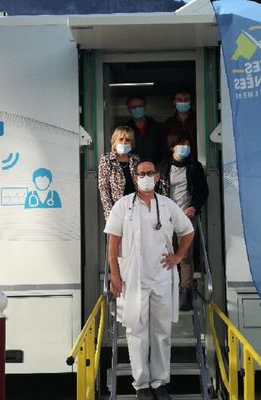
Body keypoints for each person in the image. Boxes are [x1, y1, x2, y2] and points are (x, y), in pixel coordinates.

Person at [105, 160, 195, 400]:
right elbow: (112, 243)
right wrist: (115, 274)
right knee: (137, 332)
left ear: (157, 177)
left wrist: (178, 256)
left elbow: (187, 230)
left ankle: (160, 382)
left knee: (162, 333)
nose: (145, 177)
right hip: (133, 278)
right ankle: (142, 385)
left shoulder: (167, 205)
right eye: (141, 173)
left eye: (150, 173)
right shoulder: (123, 206)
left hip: (162, 277)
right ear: (135, 178)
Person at [157, 129, 208, 311]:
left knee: (184, 256)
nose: (185, 147)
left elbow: (203, 192)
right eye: (181, 144)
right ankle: (167, 290)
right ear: (172, 147)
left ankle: (185, 291)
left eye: (187, 144)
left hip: (187, 216)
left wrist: (194, 206)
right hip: (166, 217)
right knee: (165, 254)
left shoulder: (195, 167)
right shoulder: (163, 167)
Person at [98, 125, 140, 220]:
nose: (124, 142)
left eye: (128, 140)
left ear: (131, 143)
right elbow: (104, 188)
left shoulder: (135, 159)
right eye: (121, 139)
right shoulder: (107, 159)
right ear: (114, 141)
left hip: (136, 207)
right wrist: (109, 213)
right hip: (117, 210)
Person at [125, 95, 166, 165]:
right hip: (133, 170)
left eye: (140, 106)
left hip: (155, 170)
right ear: (129, 109)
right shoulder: (125, 129)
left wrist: (161, 169)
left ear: (145, 107)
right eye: (133, 107)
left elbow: (164, 151)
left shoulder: (158, 127)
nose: (137, 109)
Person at [163, 89, 197, 158]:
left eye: (186, 99)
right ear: (174, 102)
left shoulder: (199, 120)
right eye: (179, 99)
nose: (183, 102)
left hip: (197, 159)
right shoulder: (168, 123)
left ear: (191, 101)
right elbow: (165, 146)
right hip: (175, 161)